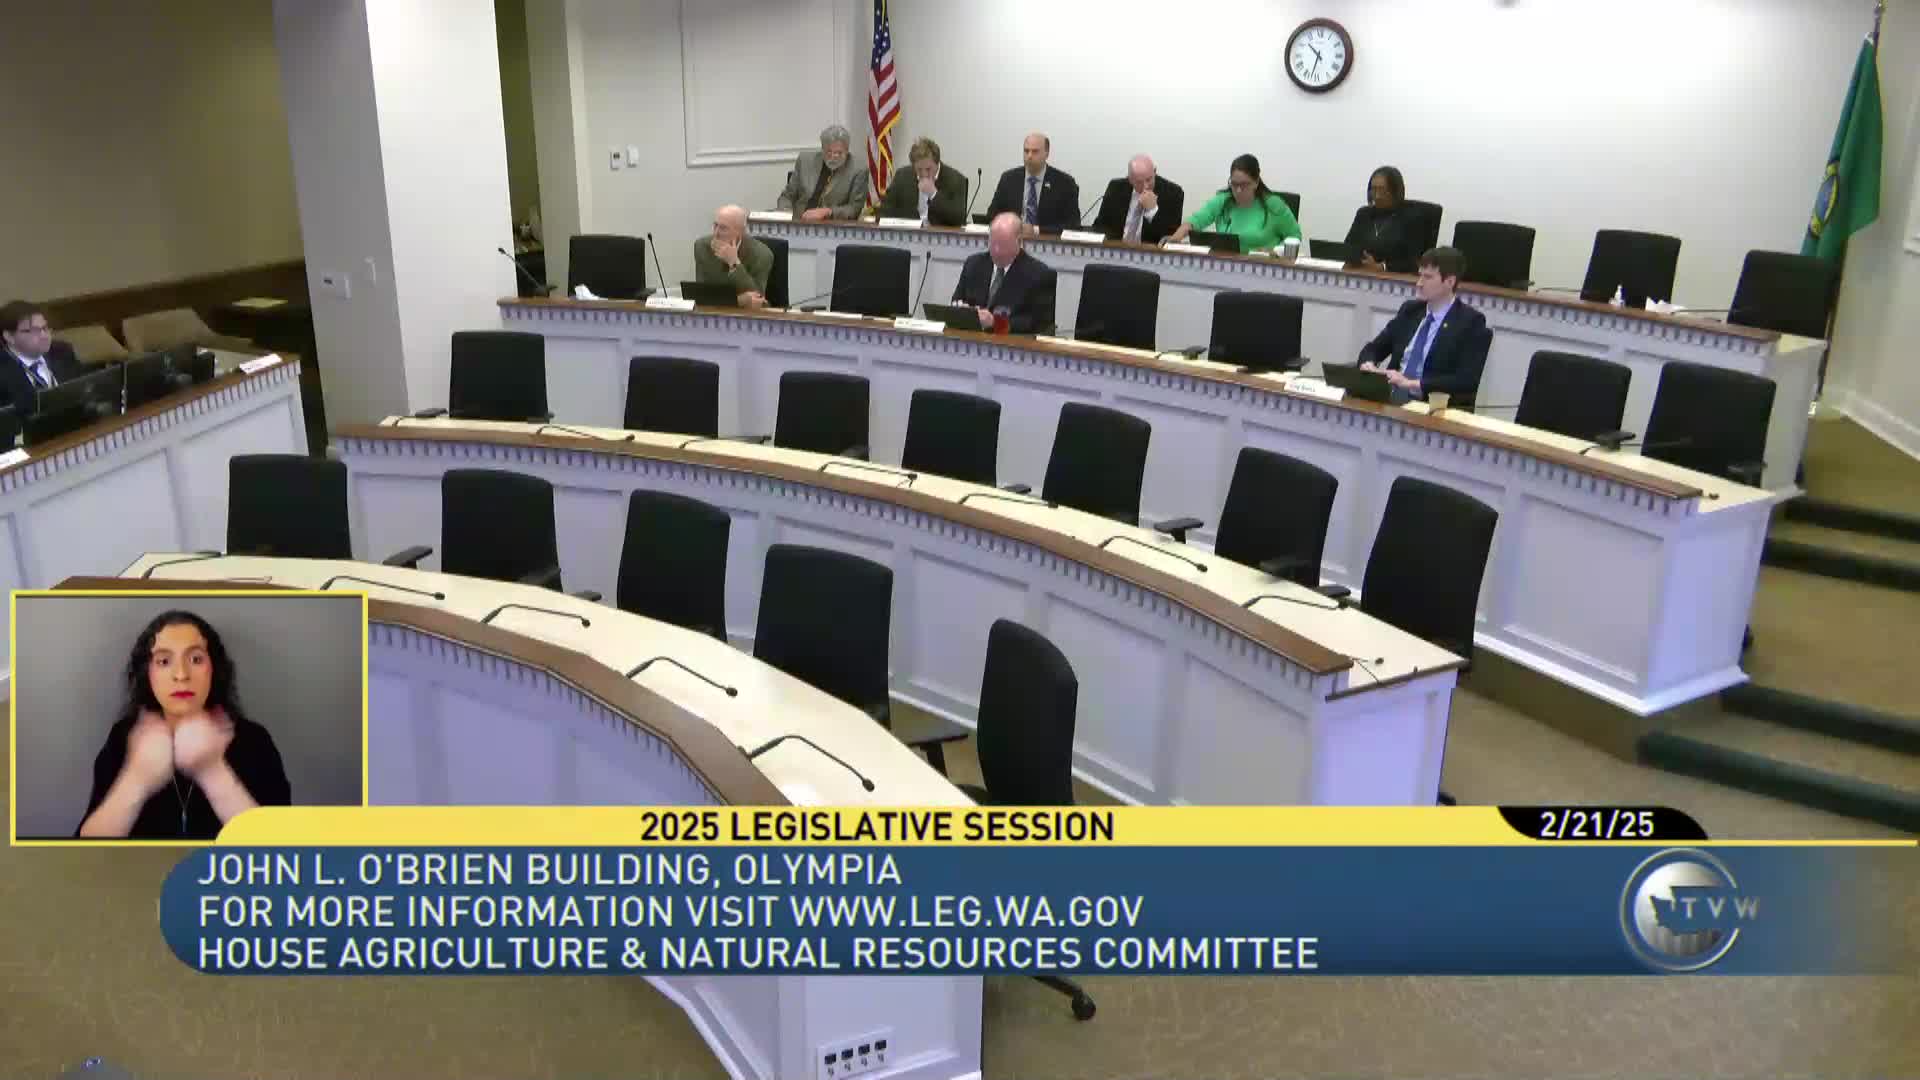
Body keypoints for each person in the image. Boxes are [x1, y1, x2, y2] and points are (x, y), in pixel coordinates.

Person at [77, 611, 291, 839]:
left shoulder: (254, 740)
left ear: (214, 669)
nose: (181, 675)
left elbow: (281, 850)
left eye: (196, 659)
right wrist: (137, 779)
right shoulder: (124, 738)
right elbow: (86, 849)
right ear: (147, 673)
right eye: (164, 661)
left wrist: (213, 772)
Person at [1356, 247, 1491, 405]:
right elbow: (1373, 348)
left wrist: (1411, 384)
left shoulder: (1470, 322)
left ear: (1450, 282)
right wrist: (1369, 365)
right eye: (1420, 275)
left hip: (1430, 406)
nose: (1419, 283)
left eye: (1428, 277)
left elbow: (1466, 380)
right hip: (1390, 398)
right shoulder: (1410, 310)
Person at [1164, 154, 1302, 253]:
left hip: (1265, 268)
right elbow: (1196, 220)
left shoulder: (1274, 205)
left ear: (1256, 182)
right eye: (1234, 184)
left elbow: (1295, 236)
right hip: (1227, 266)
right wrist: (1175, 239)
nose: (1238, 190)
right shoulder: (1223, 200)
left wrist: (1274, 251)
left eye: (1244, 185)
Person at [952, 212, 1057, 334]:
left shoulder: (1040, 275)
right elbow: (956, 302)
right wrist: (963, 312)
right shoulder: (973, 264)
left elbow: (1037, 325)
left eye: (1003, 245)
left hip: (1012, 343)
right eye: (993, 243)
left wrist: (995, 323)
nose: (996, 251)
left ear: (1019, 242)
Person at [985, 132, 1081, 235]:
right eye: (1026, 151)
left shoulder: (1065, 184)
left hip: (1046, 242)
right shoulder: (1008, 179)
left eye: (1035, 152)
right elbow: (992, 217)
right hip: (1013, 239)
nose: (1029, 156)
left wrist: (1035, 230)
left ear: (1047, 153)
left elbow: (1073, 226)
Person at [1, 300, 86, 414]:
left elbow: (83, 390)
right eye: (34, 331)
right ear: (9, 337)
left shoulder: (62, 352)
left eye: (45, 328)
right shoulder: (3, 371)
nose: (44, 336)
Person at [777, 124, 870, 222]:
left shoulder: (858, 170)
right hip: (798, 223)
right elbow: (787, 196)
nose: (833, 157)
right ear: (822, 148)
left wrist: (828, 212)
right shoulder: (805, 161)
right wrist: (786, 214)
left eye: (839, 153)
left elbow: (854, 209)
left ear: (847, 150)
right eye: (829, 152)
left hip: (831, 226)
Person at [691, 204, 774, 308]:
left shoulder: (762, 254)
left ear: (741, 231)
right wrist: (740, 300)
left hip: (747, 315)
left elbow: (758, 301)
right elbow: (702, 297)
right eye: (715, 225)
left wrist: (734, 263)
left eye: (723, 228)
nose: (716, 233)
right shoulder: (702, 246)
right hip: (713, 312)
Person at [1092, 155, 1185, 245]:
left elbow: (1170, 238)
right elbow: (1100, 226)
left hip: (1150, 253)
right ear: (1130, 179)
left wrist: (1152, 211)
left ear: (1154, 171)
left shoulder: (1173, 193)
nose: (1145, 186)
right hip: (1116, 250)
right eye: (1139, 182)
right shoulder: (1116, 188)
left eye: (1149, 180)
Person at [876, 136, 969, 226]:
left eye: (928, 169)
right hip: (909, 234)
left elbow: (959, 219)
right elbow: (883, 212)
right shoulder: (902, 176)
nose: (924, 174)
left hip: (939, 235)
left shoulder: (955, 180)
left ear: (937, 163)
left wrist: (933, 194)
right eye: (919, 169)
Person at [1344, 166, 1419, 273]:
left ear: (1396, 190)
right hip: (1361, 273)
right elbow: (1348, 246)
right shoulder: (1363, 214)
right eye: (1374, 189)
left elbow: (1415, 262)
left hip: (1393, 277)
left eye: (1382, 190)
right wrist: (1352, 259)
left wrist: (1382, 267)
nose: (1377, 196)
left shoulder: (1411, 217)